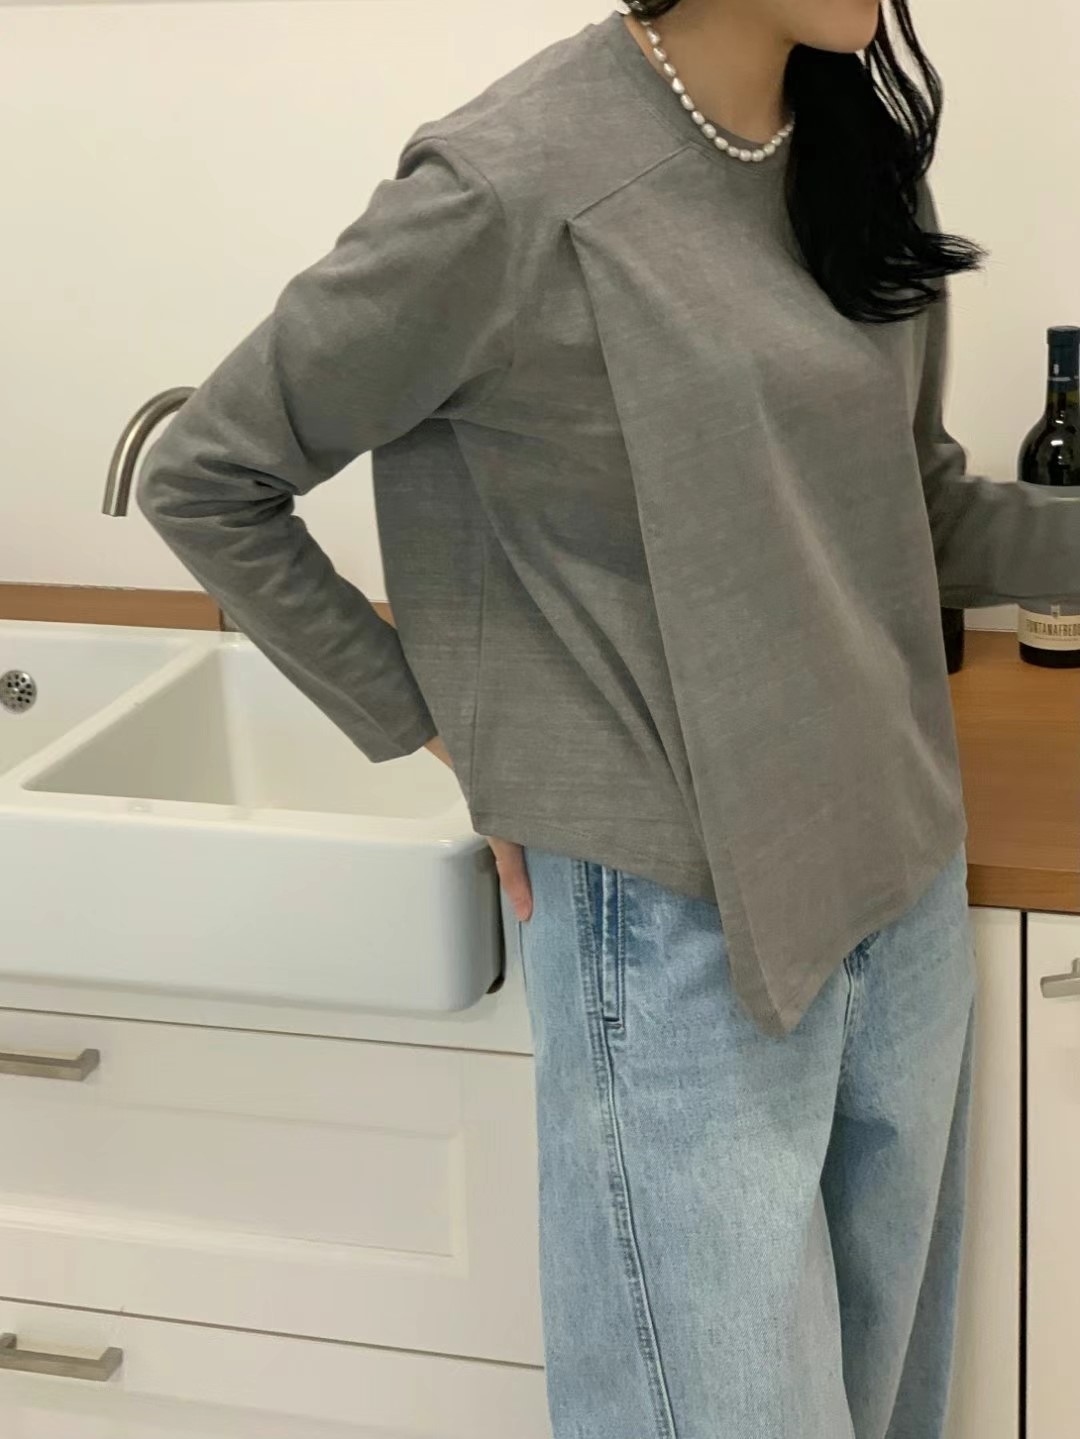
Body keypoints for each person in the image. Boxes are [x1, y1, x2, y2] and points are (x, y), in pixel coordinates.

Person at [137, 3, 1080, 1433]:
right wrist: (460, 735)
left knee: (886, 1408)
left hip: (900, 873)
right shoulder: (509, 184)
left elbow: (909, 512)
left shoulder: (858, 147)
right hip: (673, 920)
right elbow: (210, 476)